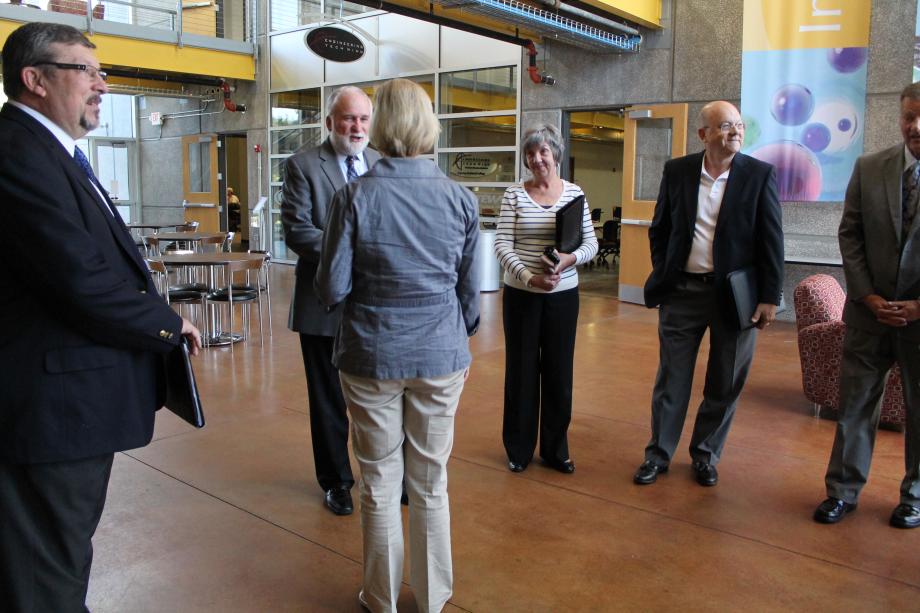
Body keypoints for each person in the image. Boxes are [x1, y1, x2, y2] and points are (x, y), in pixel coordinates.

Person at [0, 22, 201, 610]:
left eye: (102, 72)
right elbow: (78, 278)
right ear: (34, 80)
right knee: (47, 572)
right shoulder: (19, 152)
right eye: (84, 70)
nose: (101, 85)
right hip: (51, 409)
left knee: (56, 558)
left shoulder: (51, 152)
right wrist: (167, 323)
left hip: (64, 404)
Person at [315, 78, 480, 613]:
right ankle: (433, 598)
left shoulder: (353, 197)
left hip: (371, 355)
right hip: (439, 354)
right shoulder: (460, 198)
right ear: (428, 125)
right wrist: (455, 333)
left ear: (380, 125)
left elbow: (332, 288)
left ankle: (380, 598)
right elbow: (469, 297)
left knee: (379, 481)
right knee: (431, 481)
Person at [634, 100, 783, 487]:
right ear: (703, 134)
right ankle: (659, 454)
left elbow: (771, 242)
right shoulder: (678, 171)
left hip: (735, 297)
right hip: (682, 292)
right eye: (724, 126)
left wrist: (770, 296)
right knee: (672, 378)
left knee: (725, 380)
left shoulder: (759, 175)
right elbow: (660, 228)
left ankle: (705, 454)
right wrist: (664, 270)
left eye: (738, 125)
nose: (734, 131)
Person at [813, 82, 920, 529]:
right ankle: (842, 491)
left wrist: (917, 306)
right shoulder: (869, 167)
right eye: (907, 117)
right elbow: (850, 234)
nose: (914, 126)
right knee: (854, 407)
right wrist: (867, 294)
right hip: (867, 314)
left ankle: (914, 496)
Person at [281, 86, 380, 516]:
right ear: (329, 123)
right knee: (327, 399)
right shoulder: (303, 165)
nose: (355, 127)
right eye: (347, 119)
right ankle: (337, 481)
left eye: (362, 119)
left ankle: (382, 476)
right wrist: (355, 251)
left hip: (374, 304)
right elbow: (298, 231)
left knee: (378, 397)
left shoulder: (380, 163)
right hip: (321, 302)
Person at [494, 124, 598, 474]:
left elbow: (590, 243)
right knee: (521, 373)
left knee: (558, 372)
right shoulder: (514, 195)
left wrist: (570, 260)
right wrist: (529, 277)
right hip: (522, 295)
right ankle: (519, 449)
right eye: (531, 153)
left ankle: (555, 449)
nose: (537, 159)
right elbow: (501, 245)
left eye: (543, 151)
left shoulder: (574, 193)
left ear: (555, 153)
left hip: (563, 296)